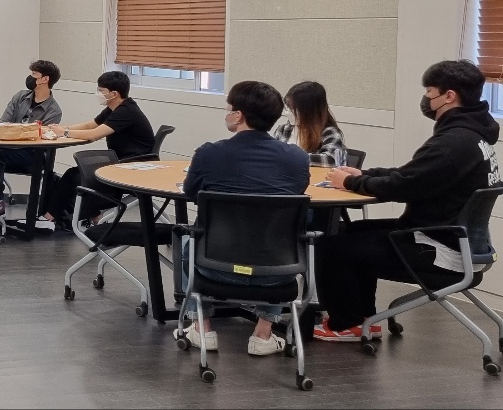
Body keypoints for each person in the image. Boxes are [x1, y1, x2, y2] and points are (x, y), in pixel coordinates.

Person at [314, 60, 502, 341]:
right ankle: (362, 319)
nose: (426, 99)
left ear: (449, 96)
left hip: (439, 249)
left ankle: (346, 324)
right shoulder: (473, 135)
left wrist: (351, 183)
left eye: (429, 92)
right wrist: (366, 174)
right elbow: (414, 174)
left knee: (334, 247)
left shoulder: (453, 143)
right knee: (350, 232)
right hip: (455, 239)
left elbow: (404, 186)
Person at [179, 81, 311, 357]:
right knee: (275, 237)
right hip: (278, 272)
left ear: (238, 115)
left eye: (228, 109)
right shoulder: (298, 159)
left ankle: (202, 328)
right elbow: (293, 197)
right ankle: (263, 334)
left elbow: (191, 193)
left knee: (187, 241)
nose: (227, 114)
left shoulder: (209, 153)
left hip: (214, 266)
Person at [43, 71, 155, 226]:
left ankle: (49, 218)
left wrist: (64, 133)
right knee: (76, 174)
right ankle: (94, 217)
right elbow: (91, 124)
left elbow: (93, 135)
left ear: (114, 94)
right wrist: (62, 128)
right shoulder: (114, 107)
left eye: (101, 91)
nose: (98, 94)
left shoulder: (126, 111)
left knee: (75, 176)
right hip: (122, 161)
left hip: (132, 167)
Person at [0, 60, 63, 215]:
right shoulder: (20, 96)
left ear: (45, 79)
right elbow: (3, 122)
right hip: (7, 148)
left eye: (34, 74)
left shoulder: (54, 110)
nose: (30, 77)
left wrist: (15, 132)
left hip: (32, 154)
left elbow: (39, 137)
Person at [272, 81, 348, 167]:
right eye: (287, 107)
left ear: (309, 112)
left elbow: (330, 160)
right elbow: (272, 155)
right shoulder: (282, 130)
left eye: (292, 109)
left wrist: (290, 157)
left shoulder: (330, 133)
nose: (287, 113)